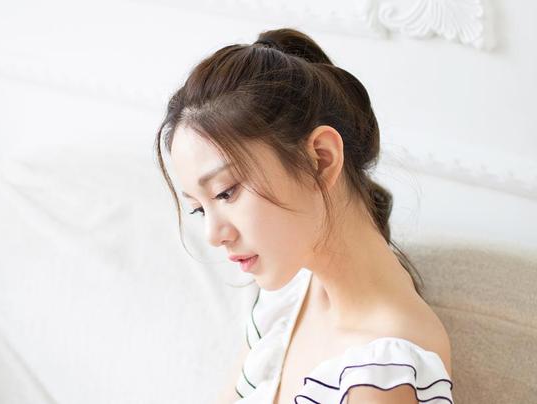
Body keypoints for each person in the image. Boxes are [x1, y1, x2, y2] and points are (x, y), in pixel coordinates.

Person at [153, 28, 454, 404]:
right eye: (200, 208)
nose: (213, 235)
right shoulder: (288, 296)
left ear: (320, 159)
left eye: (226, 192)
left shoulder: (381, 377)